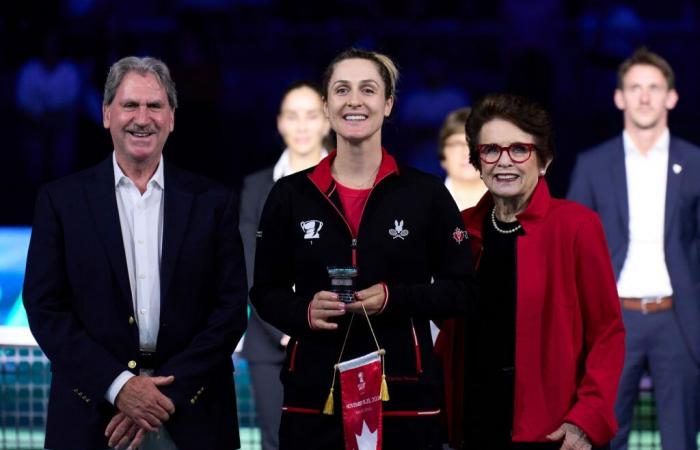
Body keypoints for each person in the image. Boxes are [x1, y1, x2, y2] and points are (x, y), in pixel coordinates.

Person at [250, 48, 477, 450]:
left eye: (368, 90)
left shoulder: (426, 194)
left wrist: (394, 298)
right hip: (313, 393)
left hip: (405, 391)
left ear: (388, 104)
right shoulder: (289, 195)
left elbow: (461, 291)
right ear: (326, 104)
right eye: (342, 89)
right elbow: (264, 292)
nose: (354, 100)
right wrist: (302, 311)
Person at [22, 56, 248, 450]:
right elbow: (45, 308)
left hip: (194, 414)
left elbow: (228, 313)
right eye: (130, 105)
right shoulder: (60, 201)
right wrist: (120, 387)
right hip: (92, 416)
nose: (142, 118)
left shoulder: (214, 202)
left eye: (155, 106)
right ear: (106, 114)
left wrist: (161, 398)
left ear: (172, 117)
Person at [439, 93, 624, 449]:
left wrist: (586, 418)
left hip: (553, 431)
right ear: (478, 162)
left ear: (545, 161)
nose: (503, 161)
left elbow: (607, 333)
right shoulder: (463, 230)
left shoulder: (576, 226)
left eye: (519, 149)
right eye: (490, 150)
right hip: (475, 424)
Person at [568, 47, 700, 450]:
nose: (644, 97)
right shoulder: (592, 164)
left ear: (671, 97)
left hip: (677, 317)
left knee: (681, 437)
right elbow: (574, 248)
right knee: (607, 433)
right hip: (613, 320)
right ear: (619, 97)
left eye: (654, 88)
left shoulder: (695, 163)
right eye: (635, 87)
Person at [239, 81, 330, 450]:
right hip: (269, 341)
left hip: (335, 339)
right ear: (280, 123)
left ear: (327, 122)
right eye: (293, 116)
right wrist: (285, 328)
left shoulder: (354, 181)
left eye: (311, 116)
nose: (302, 125)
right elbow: (249, 265)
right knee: (277, 442)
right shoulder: (256, 187)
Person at [438, 107, 486, 211]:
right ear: (442, 156)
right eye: (457, 144)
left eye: (474, 144)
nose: (467, 152)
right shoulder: (423, 205)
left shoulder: (516, 204)